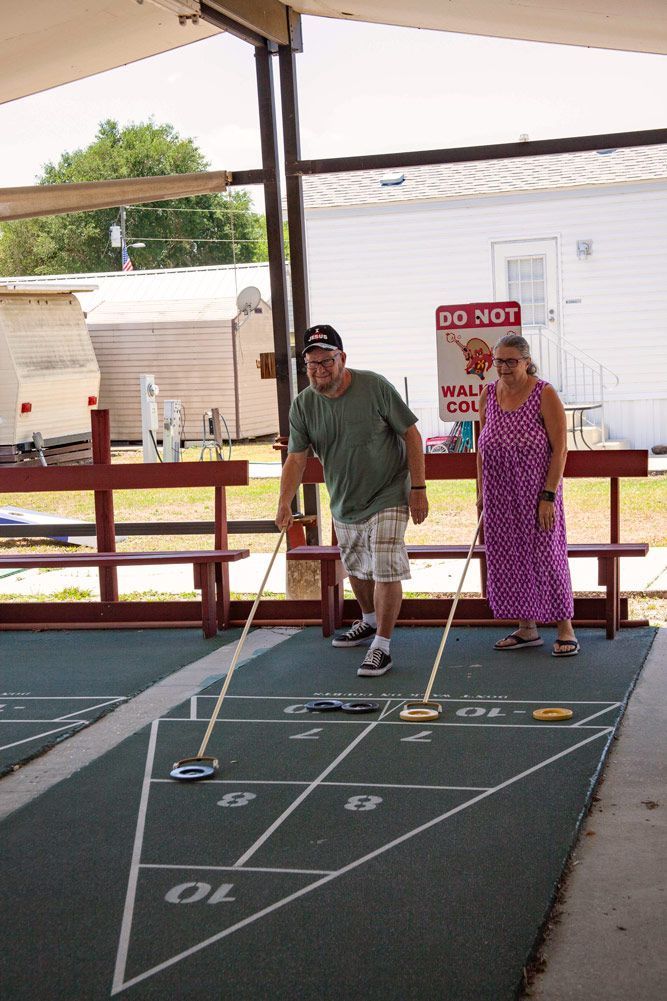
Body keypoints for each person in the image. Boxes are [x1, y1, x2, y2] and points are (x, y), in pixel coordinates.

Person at [275, 324, 429, 677]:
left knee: (386, 563)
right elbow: (296, 458)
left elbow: (411, 433)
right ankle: (370, 621)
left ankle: (382, 646)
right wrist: (284, 502)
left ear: (342, 358)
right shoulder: (303, 405)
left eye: (326, 361)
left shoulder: (374, 386)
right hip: (344, 500)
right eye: (312, 365)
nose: (319, 370)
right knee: (358, 569)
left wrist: (417, 488)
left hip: (388, 492)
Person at [477, 333, 579, 657]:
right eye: (499, 361)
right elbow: (482, 449)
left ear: (525, 361)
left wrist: (548, 495)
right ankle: (527, 627)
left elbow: (560, 449)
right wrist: (481, 494)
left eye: (511, 361)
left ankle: (566, 629)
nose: (504, 368)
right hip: (499, 496)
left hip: (537, 494)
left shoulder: (544, 393)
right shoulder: (488, 395)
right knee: (509, 560)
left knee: (547, 556)